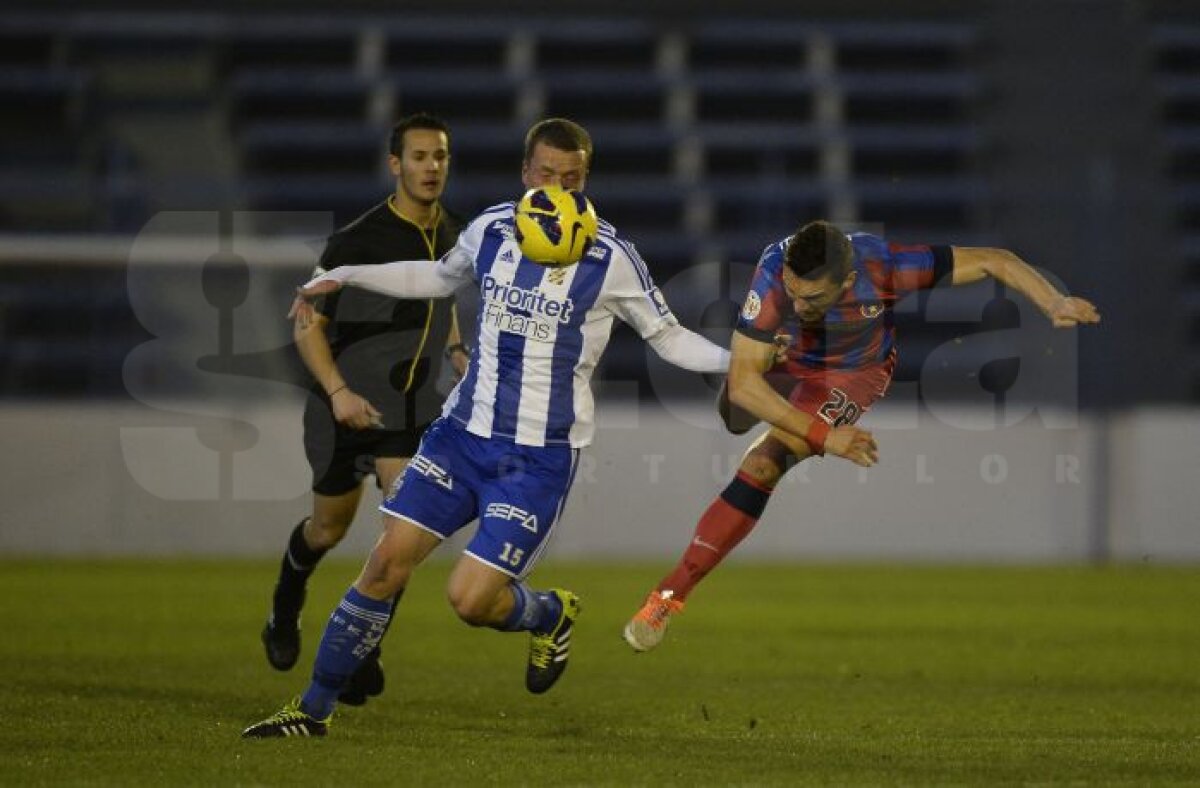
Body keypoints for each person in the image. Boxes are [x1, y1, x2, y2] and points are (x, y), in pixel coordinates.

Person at [245, 117, 831, 738]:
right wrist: (347, 275)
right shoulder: (494, 228)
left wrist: (743, 359)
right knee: (386, 563)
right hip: (462, 435)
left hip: (538, 460)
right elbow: (441, 277)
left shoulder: (611, 257)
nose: (558, 188)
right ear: (527, 174)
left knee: (470, 601)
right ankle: (311, 711)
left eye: (571, 179)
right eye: (547, 175)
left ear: (585, 180)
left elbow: (668, 338)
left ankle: (549, 613)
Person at [623, 220, 1101, 652]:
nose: (798, 304)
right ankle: (779, 374)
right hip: (792, 359)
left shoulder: (885, 267)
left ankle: (667, 596)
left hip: (853, 374)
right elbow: (745, 386)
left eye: (812, 298)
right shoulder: (774, 275)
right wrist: (825, 436)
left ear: (848, 281)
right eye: (794, 293)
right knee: (735, 408)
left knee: (764, 462)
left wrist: (1052, 301)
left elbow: (998, 260)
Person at [261, 113, 469, 707]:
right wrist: (338, 393)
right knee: (327, 529)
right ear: (395, 165)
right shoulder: (358, 239)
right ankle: (285, 603)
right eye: (420, 157)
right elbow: (307, 324)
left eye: (441, 157)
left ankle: (362, 648)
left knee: (401, 537)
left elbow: (443, 295)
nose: (432, 167)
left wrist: (455, 348)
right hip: (341, 405)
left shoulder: (454, 234)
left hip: (408, 413)